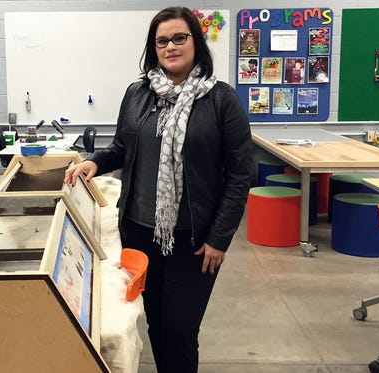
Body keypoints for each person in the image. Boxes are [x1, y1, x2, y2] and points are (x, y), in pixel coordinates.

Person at [64, 6, 252, 372]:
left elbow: (240, 173)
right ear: (154, 48)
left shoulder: (220, 100)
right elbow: (121, 147)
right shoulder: (138, 94)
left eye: (179, 38)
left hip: (195, 240)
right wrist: (94, 161)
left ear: (196, 42)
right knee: (155, 322)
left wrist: (219, 237)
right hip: (139, 232)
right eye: (162, 41)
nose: (171, 46)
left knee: (181, 328)